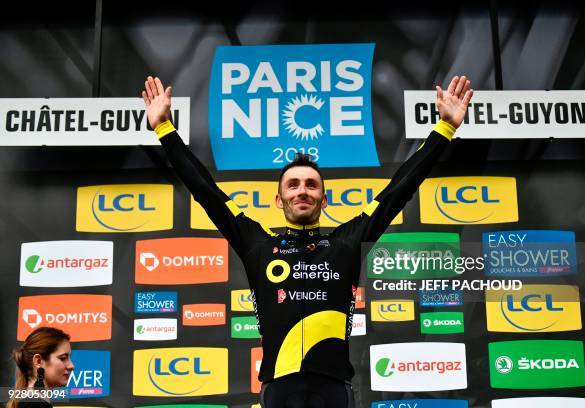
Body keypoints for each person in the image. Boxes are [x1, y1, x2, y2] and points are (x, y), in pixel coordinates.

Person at [143, 74, 473, 408]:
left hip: (333, 391)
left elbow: (399, 190)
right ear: (279, 200)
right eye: (294, 185)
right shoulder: (258, 244)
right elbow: (206, 192)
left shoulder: (345, 243)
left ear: (324, 199)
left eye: (312, 185)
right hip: (279, 390)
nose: (302, 190)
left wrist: (445, 128)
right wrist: (164, 130)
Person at [7, 327, 74, 408]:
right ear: (38, 361)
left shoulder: (32, 402)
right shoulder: (36, 404)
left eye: (69, 358)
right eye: (63, 358)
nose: (71, 366)